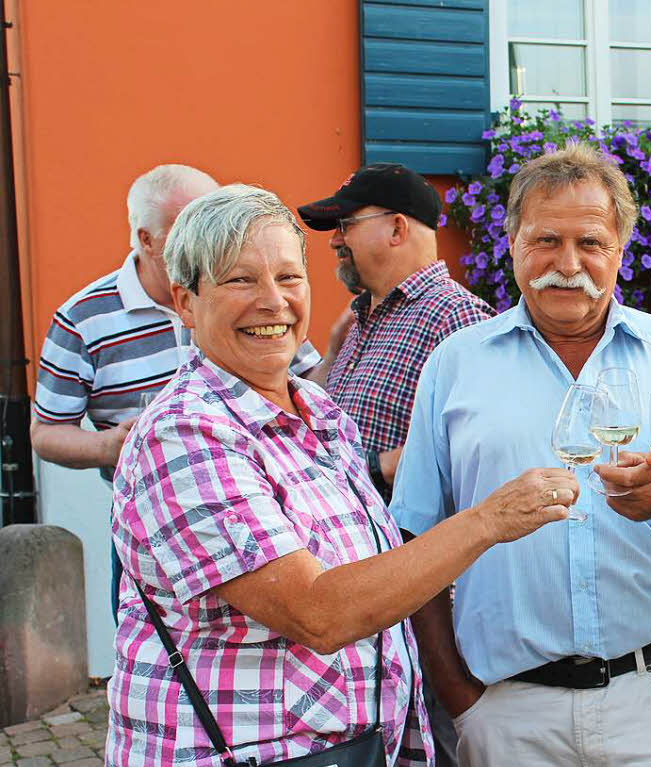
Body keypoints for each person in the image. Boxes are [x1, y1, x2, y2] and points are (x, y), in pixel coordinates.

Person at [106, 184, 576, 766]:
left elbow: (370, 574)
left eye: (288, 277)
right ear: (185, 301)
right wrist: (488, 521)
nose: (273, 302)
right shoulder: (183, 434)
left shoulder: (317, 410)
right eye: (239, 280)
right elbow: (318, 613)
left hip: (350, 748)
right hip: (242, 752)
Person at [391, 143, 651, 766]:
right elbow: (415, 536)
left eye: (590, 244)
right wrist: (458, 694)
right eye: (546, 240)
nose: (567, 264)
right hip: (512, 712)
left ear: (620, 249)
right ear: (513, 240)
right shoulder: (455, 366)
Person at [30, 164, 322, 618]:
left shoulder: (258, 302)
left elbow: (307, 386)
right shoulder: (83, 317)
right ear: (146, 239)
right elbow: (46, 431)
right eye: (188, 224)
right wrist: (110, 445)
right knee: (170, 655)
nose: (209, 235)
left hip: (275, 508)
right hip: (156, 526)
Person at [298, 163, 494, 505]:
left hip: (407, 548)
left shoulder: (457, 316)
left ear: (397, 229)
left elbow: (485, 445)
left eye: (346, 225)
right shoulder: (363, 317)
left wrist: (377, 468)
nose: (334, 241)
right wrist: (330, 358)